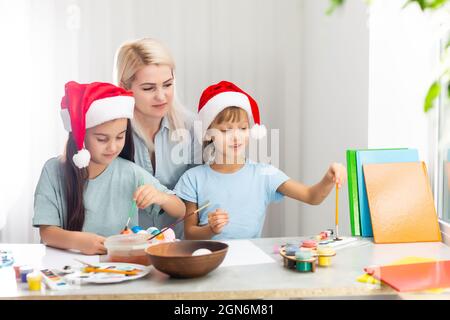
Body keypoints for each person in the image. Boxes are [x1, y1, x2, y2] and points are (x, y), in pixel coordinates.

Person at [174, 81, 347, 240]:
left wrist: (329, 178)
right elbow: (190, 234)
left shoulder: (264, 173)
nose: (236, 137)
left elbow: (312, 197)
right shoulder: (193, 178)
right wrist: (211, 229)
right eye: (226, 130)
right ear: (209, 133)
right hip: (208, 261)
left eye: (242, 128)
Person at [33, 81, 185, 255]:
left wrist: (160, 197)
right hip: (66, 266)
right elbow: (47, 233)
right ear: (80, 137)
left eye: (120, 137)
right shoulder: (53, 171)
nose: (113, 147)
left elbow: (180, 209)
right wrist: (80, 241)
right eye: (102, 139)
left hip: (119, 266)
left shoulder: (130, 172)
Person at [114, 38, 200, 238]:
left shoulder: (192, 128)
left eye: (167, 84)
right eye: (149, 88)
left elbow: (197, 196)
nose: (161, 96)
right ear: (124, 88)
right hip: (125, 247)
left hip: (178, 246)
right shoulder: (111, 133)